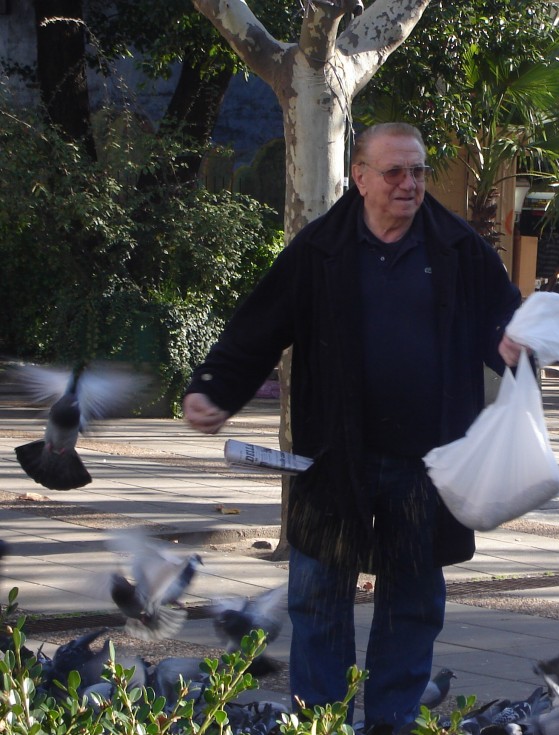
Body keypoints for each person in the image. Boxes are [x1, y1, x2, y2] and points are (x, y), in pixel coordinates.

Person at [182, 122, 524, 730]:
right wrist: (215, 391)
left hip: (429, 460)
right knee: (317, 599)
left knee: (412, 604)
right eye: (394, 172)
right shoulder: (322, 248)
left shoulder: (457, 247)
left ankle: (391, 723)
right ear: (359, 177)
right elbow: (258, 326)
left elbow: (502, 321)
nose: (409, 184)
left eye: (417, 171)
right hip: (332, 455)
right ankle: (322, 722)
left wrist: (515, 340)